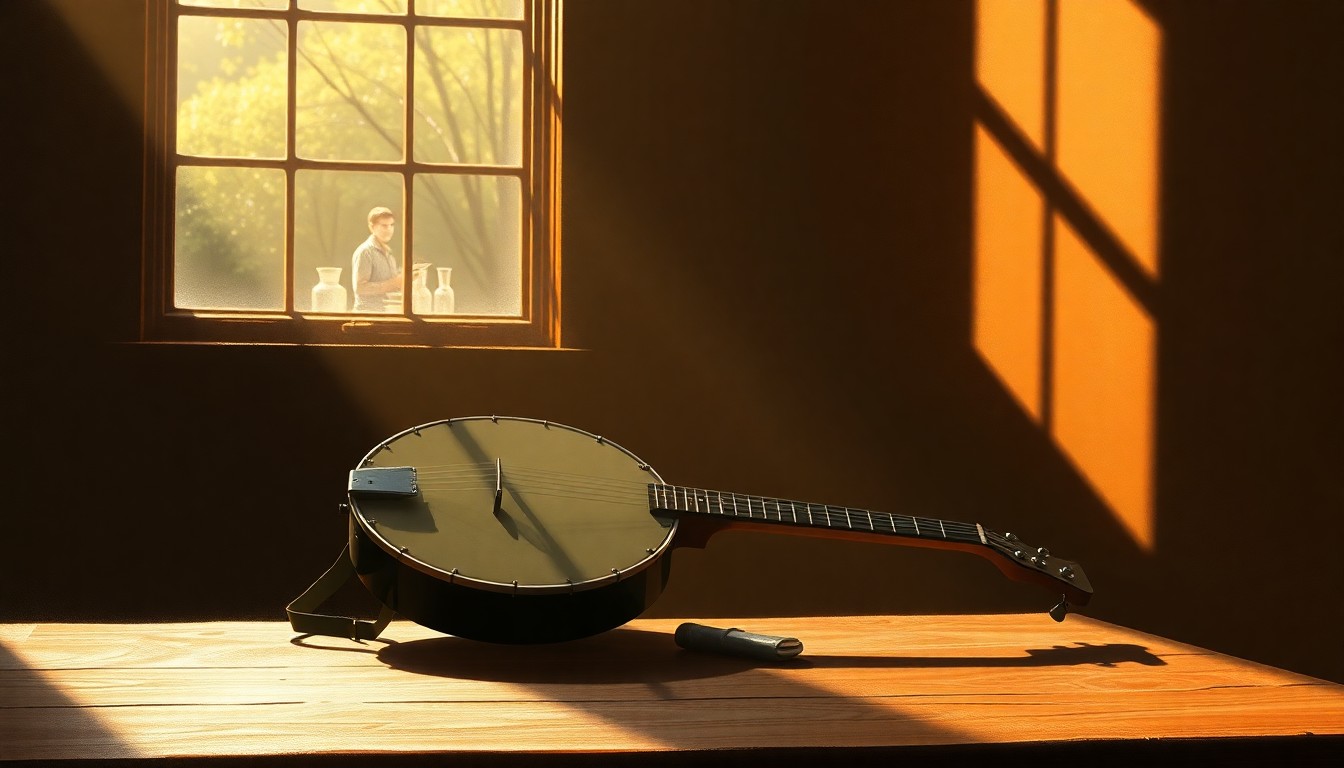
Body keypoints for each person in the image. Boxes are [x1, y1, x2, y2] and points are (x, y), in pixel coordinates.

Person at [352, 206, 403, 312]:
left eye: (391, 225)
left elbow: (393, 282)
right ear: (372, 227)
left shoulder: (389, 253)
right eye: (384, 225)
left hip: (386, 315)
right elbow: (360, 288)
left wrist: (407, 276)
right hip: (367, 317)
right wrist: (395, 283)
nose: (389, 229)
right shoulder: (365, 252)